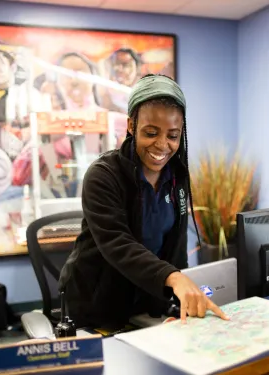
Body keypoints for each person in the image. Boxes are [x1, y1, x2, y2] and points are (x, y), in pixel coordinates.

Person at [59, 74, 228, 329]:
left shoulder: (176, 176)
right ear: (130, 125)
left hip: (147, 304)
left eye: (173, 135)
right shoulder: (103, 175)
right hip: (97, 305)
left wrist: (176, 294)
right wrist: (173, 278)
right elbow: (118, 244)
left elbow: (176, 245)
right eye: (151, 132)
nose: (162, 145)